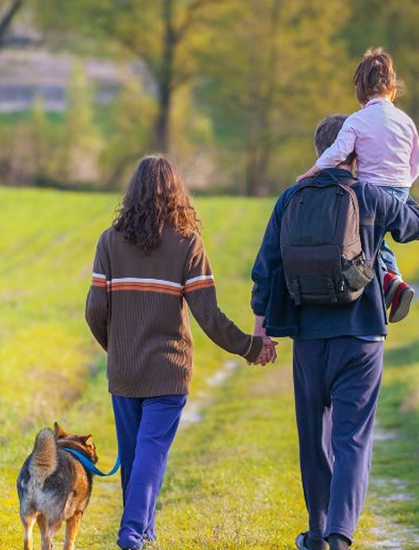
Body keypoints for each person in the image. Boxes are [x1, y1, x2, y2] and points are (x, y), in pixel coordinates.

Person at [254, 115, 419, 550]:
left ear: (320, 151)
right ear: (356, 151)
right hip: (362, 335)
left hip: (308, 337)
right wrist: (395, 177)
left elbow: (266, 269)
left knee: (314, 437)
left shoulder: (291, 198)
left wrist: (263, 331)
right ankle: (339, 535)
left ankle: (316, 534)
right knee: (351, 437)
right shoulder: (368, 196)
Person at [85, 155, 276, 550]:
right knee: (149, 454)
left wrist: (118, 349)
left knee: (137, 454)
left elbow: (94, 311)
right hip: (169, 371)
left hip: (125, 371)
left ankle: (141, 531)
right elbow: (208, 314)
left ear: (132, 193)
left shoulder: (109, 241)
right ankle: (134, 533)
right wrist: (250, 346)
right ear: (177, 193)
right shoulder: (188, 241)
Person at [296, 48, 419, 323]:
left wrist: (312, 170)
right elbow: (418, 159)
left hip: (368, 191)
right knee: (380, 241)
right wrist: (404, 183)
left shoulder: (357, 120)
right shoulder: (406, 121)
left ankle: (391, 282)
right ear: (392, 88)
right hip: (400, 191)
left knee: (366, 244)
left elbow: (337, 152)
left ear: (361, 90)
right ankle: (394, 281)